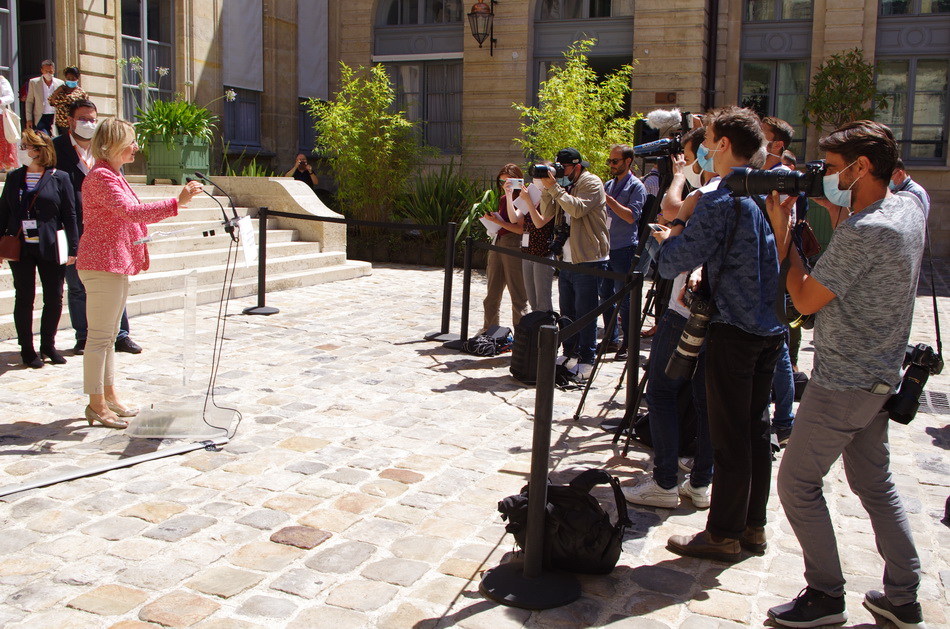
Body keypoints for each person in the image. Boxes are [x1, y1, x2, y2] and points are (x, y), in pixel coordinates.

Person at [765, 120, 928, 629]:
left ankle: (825, 594)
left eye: (834, 169)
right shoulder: (908, 207)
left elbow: (807, 297)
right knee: (874, 483)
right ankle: (903, 595)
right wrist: (834, 204)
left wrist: (782, 230)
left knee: (796, 483)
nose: (826, 178)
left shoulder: (866, 230)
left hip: (843, 382)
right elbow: (863, 216)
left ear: (862, 168)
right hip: (881, 375)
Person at [655, 106, 784, 563]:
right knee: (754, 433)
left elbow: (673, 262)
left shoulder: (721, 196)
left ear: (724, 144)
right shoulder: (759, 188)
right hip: (768, 328)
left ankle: (723, 534)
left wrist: (670, 234)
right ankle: (753, 527)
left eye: (708, 140)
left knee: (731, 438)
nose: (704, 148)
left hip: (735, 329)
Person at [78, 118, 203, 428]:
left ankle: (109, 397)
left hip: (114, 262)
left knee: (108, 338)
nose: (136, 147)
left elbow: (130, 214)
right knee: (98, 339)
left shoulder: (113, 175)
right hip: (101, 263)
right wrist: (177, 202)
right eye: (130, 142)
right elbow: (131, 212)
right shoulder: (101, 178)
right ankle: (96, 404)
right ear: (111, 145)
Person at [623, 126, 715, 511]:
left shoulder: (709, 191)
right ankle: (700, 481)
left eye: (695, 155)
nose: (692, 163)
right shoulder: (736, 191)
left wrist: (677, 176)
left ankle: (664, 482)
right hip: (711, 308)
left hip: (686, 308)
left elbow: (670, 209)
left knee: (661, 390)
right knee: (704, 398)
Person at [54, 100, 142, 356]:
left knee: (115, 283)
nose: (89, 123)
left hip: (105, 224)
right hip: (73, 222)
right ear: (70, 121)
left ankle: (121, 335)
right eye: (83, 118)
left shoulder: (105, 150)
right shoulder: (57, 148)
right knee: (77, 285)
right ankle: (84, 336)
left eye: (93, 119)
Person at [0, 129, 79, 368]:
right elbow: (3, 211)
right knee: (24, 297)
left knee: (54, 297)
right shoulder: (14, 177)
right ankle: (27, 348)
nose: (21, 150)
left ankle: (48, 346)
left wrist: (73, 248)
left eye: (26, 146)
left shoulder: (60, 177)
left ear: (40, 150)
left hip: (51, 246)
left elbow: (70, 214)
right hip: (20, 246)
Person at [537, 148, 609, 380]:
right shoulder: (562, 186)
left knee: (585, 313)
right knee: (567, 311)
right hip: (566, 259)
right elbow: (546, 212)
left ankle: (588, 359)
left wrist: (555, 188)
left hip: (588, 258)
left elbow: (577, 209)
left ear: (577, 166)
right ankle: (570, 353)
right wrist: (548, 188)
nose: (561, 172)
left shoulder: (592, 182)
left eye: (564, 168)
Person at [760, 116, 797, 447]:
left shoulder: (781, 178)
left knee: (777, 349)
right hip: (755, 272)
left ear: (777, 145)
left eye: (764, 136)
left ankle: (784, 421)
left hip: (772, 272)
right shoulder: (758, 174)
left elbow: (780, 230)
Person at [599, 144, 647, 360]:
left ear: (628, 162)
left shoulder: (637, 187)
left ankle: (629, 344)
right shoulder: (609, 184)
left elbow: (631, 216)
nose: (611, 165)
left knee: (626, 299)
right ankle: (610, 339)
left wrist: (608, 199)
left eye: (615, 161)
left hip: (624, 248)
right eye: (609, 161)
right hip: (606, 249)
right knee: (605, 296)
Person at [481, 164, 529, 332]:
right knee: (492, 293)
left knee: (518, 294)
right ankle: (490, 330)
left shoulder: (524, 197)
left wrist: (498, 222)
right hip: (498, 241)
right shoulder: (503, 198)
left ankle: (522, 335)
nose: (505, 186)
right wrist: (494, 220)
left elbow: (520, 227)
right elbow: (506, 222)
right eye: (502, 182)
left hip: (514, 244)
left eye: (508, 182)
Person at [512, 176, 553, 313]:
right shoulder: (531, 193)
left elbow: (539, 223)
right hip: (527, 251)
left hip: (543, 253)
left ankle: (546, 332)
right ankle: (536, 331)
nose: (537, 179)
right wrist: (508, 194)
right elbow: (514, 218)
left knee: (543, 302)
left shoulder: (552, 197)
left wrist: (528, 201)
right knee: (532, 300)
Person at [24, 60, 63, 136]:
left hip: (55, 117)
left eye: (51, 71)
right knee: (43, 137)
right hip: (41, 117)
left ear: (54, 70)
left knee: (55, 139)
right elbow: (29, 101)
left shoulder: (60, 83)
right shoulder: (34, 83)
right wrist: (29, 119)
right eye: (46, 71)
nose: (49, 74)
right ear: (42, 70)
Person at [48, 67, 89, 137]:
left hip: (75, 125)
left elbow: (86, 108)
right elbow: (51, 102)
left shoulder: (81, 93)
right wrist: (57, 91)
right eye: (68, 78)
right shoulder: (60, 92)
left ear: (77, 79)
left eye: (73, 79)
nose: (71, 80)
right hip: (61, 125)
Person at [0, 74, 18, 171]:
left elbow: (10, 97)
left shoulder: (2, 80)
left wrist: (1, 100)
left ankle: (8, 176)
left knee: (5, 148)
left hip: (1, 118)